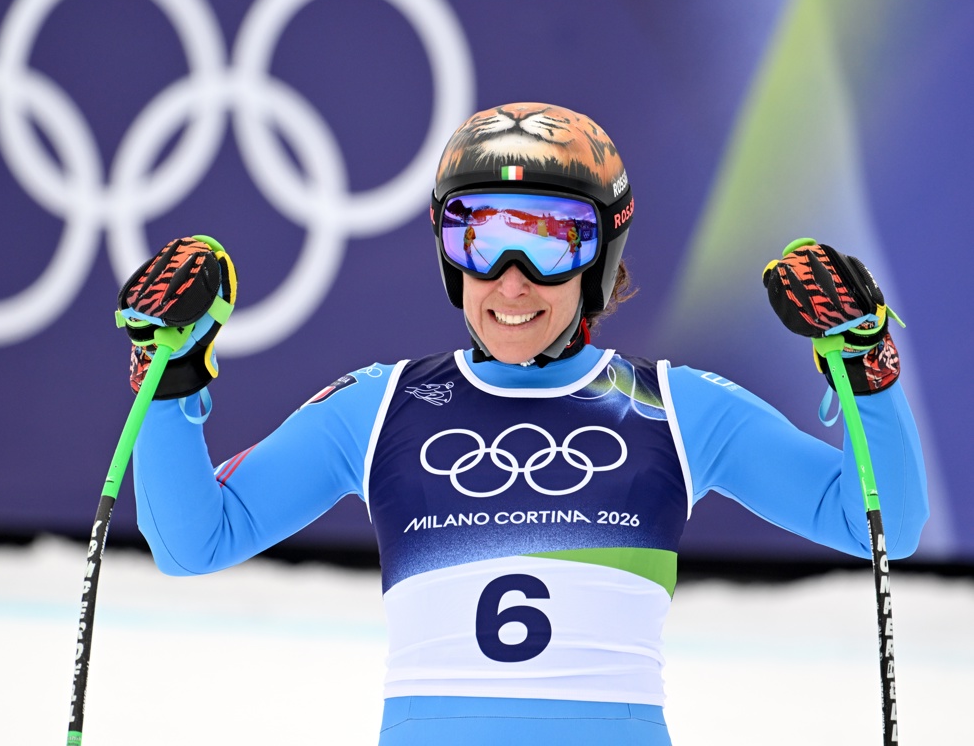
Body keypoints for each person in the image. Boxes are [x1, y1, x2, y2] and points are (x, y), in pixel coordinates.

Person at [118, 102, 928, 745]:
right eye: (479, 239)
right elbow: (195, 543)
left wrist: (865, 367)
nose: (511, 282)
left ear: (602, 259)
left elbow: (882, 524)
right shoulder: (377, 405)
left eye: (551, 243)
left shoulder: (681, 408)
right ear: (448, 254)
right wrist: (169, 375)